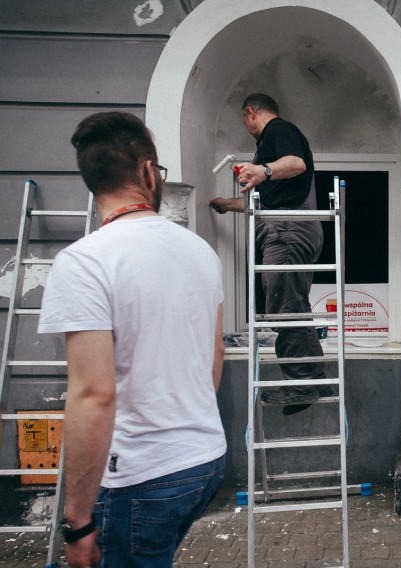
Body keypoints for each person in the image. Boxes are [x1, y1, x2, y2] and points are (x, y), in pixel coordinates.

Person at [37, 112, 227, 567]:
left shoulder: (84, 262)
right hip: (204, 459)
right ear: (148, 172)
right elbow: (215, 350)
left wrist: (77, 520)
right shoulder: (199, 250)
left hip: (140, 476)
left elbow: (93, 393)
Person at [209, 93, 328, 415]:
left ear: (251, 113)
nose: (247, 127)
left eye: (244, 121)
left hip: (287, 231)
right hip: (289, 229)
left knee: (284, 308)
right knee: (293, 306)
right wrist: (227, 204)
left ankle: (303, 385)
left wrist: (263, 170)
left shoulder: (278, 130)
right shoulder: (276, 143)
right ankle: (314, 377)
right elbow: (272, 198)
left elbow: (296, 164)